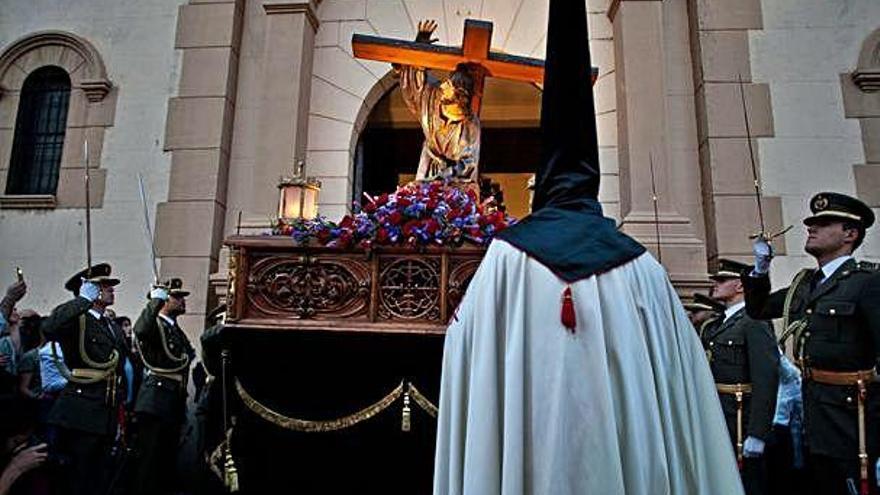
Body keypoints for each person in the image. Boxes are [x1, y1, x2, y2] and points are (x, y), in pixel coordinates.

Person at [431, 1, 743, 493]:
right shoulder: (644, 269)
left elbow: (466, 357)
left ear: (543, 186)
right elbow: (684, 398)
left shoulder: (505, 262)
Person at [743, 192, 880, 495]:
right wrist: (761, 269)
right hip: (811, 412)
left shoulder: (867, 282)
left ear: (850, 234)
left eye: (824, 223)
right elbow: (758, 309)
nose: (812, 228)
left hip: (851, 417)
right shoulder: (805, 283)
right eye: (811, 223)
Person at [41, 263, 126, 495]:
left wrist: (120, 405)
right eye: (104, 285)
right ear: (88, 289)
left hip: (106, 409)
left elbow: (118, 367)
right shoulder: (77, 319)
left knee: (99, 479)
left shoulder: (109, 324)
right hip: (82, 411)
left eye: (109, 285)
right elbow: (49, 327)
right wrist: (81, 301)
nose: (111, 289)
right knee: (77, 479)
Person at [702, 259, 779, 494]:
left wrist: (757, 432)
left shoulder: (753, 320)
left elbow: (766, 377)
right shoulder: (716, 324)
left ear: (740, 286)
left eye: (722, 280)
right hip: (720, 416)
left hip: (740, 419)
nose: (715, 284)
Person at [128, 278, 195, 495]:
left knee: (166, 457)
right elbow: (140, 329)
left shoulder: (172, 328)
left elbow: (188, 355)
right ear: (164, 300)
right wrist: (154, 302)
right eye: (176, 297)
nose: (182, 301)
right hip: (155, 398)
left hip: (172, 398)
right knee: (150, 459)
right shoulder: (154, 324)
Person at [396, 20, 481, 182]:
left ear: (459, 94)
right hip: (428, 168)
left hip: (455, 181)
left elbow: (470, 160)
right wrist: (421, 44)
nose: (443, 85)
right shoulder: (432, 97)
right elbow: (415, 82)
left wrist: (447, 174)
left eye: (448, 84)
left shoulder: (470, 125)